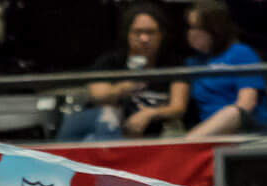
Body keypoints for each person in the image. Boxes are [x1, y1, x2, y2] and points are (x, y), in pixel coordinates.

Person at [58, 4, 189, 143]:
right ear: (128, 34)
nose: (144, 39)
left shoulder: (173, 64)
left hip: (152, 130)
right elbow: (97, 96)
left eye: (150, 32)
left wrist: (149, 114)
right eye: (138, 32)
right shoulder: (111, 61)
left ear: (161, 35)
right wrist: (122, 88)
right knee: (104, 116)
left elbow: (178, 107)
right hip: (107, 128)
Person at [184, 0, 267, 136]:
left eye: (197, 28)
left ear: (215, 29)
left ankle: (184, 146)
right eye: (189, 27)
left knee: (232, 112)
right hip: (209, 131)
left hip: (245, 128)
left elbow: (246, 103)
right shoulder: (192, 62)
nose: (191, 33)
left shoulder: (241, 53)